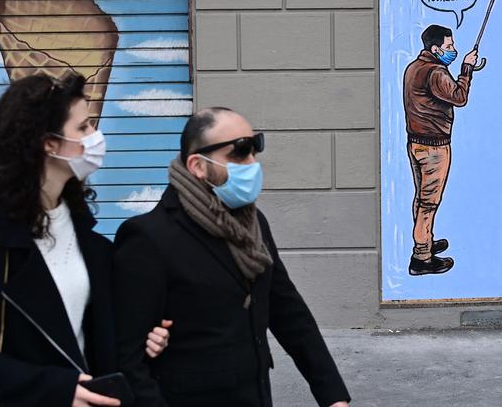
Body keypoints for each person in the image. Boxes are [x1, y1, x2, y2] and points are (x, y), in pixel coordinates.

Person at [0, 73, 169, 407]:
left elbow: (86, 337)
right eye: (83, 128)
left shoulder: (90, 242)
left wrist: (144, 340)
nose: (96, 137)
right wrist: (54, 389)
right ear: (48, 143)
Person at [113, 107, 351, 407]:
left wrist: (333, 396)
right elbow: (128, 360)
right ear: (198, 165)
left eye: (254, 148)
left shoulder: (253, 223)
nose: (252, 162)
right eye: (239, 152)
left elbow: (289, 312)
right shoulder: (149, 237)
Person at [403, 24, 478, 276]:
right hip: (434, 147)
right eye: (449, 46)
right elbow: (459, 97)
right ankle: (421, 258)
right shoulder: (436, 72)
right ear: (435, 49)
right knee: (429, 204)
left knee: (421, 198)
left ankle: (424, 241)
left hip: (415, 143)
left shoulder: (414, 67)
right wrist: (466, 69)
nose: (453, 50)